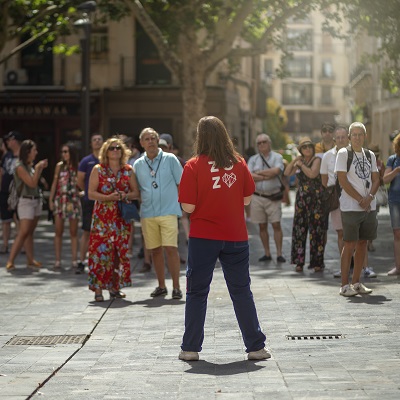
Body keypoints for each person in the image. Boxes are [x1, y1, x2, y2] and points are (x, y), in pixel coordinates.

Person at [178, 116, 270, 362]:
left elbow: (187, 206)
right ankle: (255, 347)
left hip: (203, 236)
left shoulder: (193, 165)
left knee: (197, 292)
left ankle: (190, 348)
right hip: (235, 236)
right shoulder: (238, 163)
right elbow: (247, 199)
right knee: (241, 291)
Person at [87, 137, 139, 301]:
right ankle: (98, 290)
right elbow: (90, 193)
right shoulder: (98, 169)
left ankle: (114, 287)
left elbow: (136, 193)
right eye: (112, 148)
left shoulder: (128, 170)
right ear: (106, 152)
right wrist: (108, 196)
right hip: (102, 219)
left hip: (121, 219)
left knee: (118, 253)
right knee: (100, 253)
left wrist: (124, 195)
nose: (115, 150)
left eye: (118, 148)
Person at [134, 127, 183, 299]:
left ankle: (176, 287)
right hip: (148, 213)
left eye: (153, 138)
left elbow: (181, 183)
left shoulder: (170, 159)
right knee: (154, 251)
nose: (151, 142)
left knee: (171, 248)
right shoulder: (138, 164)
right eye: (147, 139)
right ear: (141, 143)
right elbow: (136, 189)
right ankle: (161, 285)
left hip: (169, 211)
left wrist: (185, 207)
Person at [334, 122, 379, 296]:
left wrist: (369, 198)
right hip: (351, 206)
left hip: (369, 207)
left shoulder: (370, 155)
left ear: (365, 136)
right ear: (349, 137)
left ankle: (357, 282)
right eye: (354, 134)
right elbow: (342, 180)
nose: (358, 137)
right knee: (350, 243)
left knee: (363, 243)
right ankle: (344, 285)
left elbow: (376, 179)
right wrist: (360, 199)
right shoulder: (344, 153)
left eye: (361, 134)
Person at [5, 140, 48, 271]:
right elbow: (32, 183)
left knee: (30, 232)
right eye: (34, 150)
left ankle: (30, 260)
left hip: (35, 201)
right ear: (27, 152)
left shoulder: (30, 165)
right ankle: (10, 261)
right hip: (26, 202)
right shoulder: (20, 167)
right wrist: (39, 168)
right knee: (23, 232)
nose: (36, 152)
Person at [284, 137, 325, 272]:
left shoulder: (317, 160)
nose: (307, 149)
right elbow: (286, 172)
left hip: (315, 201)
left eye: (309, 147)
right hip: (301, 201)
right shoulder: (300, 161)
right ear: (300, 150)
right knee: (299, 231)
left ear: (313, 149)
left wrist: (301, 165)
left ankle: (317, 262)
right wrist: (295, 160)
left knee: (316, 232)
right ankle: (299, 262)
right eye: (304, 147)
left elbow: (313, 174)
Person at [247, 134, 286, 263]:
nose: (262, 144)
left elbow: (276, 171)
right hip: (258, 196)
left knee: (276, 224)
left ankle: (279, 253)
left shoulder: (277, 157)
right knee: (262, 226)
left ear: (269, 143)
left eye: (264, 142)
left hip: (273, 196)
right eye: (259, 143)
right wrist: (265, 176)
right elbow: (249, 176)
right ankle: (267, 253)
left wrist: (258, 173)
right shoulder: (253, 159)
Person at [320, 125, 349, 278]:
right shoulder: (327, 156)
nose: (340, 140)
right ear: (334, 139)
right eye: (337, 137)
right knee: (341, 232)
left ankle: (361, 266)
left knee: (357, 232)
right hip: (336, 198)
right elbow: (324, 181)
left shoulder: (355, 154)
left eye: (343, 137)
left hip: (353, 198)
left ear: (348, 138)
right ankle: (344, 265)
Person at [48, 143, 81, 269]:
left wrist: (82, 192)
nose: (64, 154)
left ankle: (74, 259)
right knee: (58, 231)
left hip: (73, 199)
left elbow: (81, 183)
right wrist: (51, 199)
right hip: (61, 199)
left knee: (73, 231)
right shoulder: (59, 166)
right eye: (63, 151)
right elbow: (54, 183)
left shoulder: (77, 166)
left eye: (66, 151)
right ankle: (57, 260)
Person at [76, 133, 104, 274]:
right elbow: (79, 180)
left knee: (102, 233)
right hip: (89, 202)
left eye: (99, 139)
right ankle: (81, 261)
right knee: (87, 231)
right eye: (94, 139)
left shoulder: (107, 160)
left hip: (105, 202)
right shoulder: (86, 161)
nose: (97, 141)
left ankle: (99, 261)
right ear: (91, 143)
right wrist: (88, 192)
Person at [0, 131, 23, 254]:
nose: (8, 142)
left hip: (18, 191)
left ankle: (22, 244)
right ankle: (5, 244)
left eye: (10, 140)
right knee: (5, 219)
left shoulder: (23, 155)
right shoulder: (6, 156)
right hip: (5, 191)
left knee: (19, 219)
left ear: (16, 141)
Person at [383, 132, 400, 275]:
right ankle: (398, 266)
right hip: (395, 201)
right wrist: (396, 171)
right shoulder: (393, 160)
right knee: (397, 233)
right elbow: (385, 179)